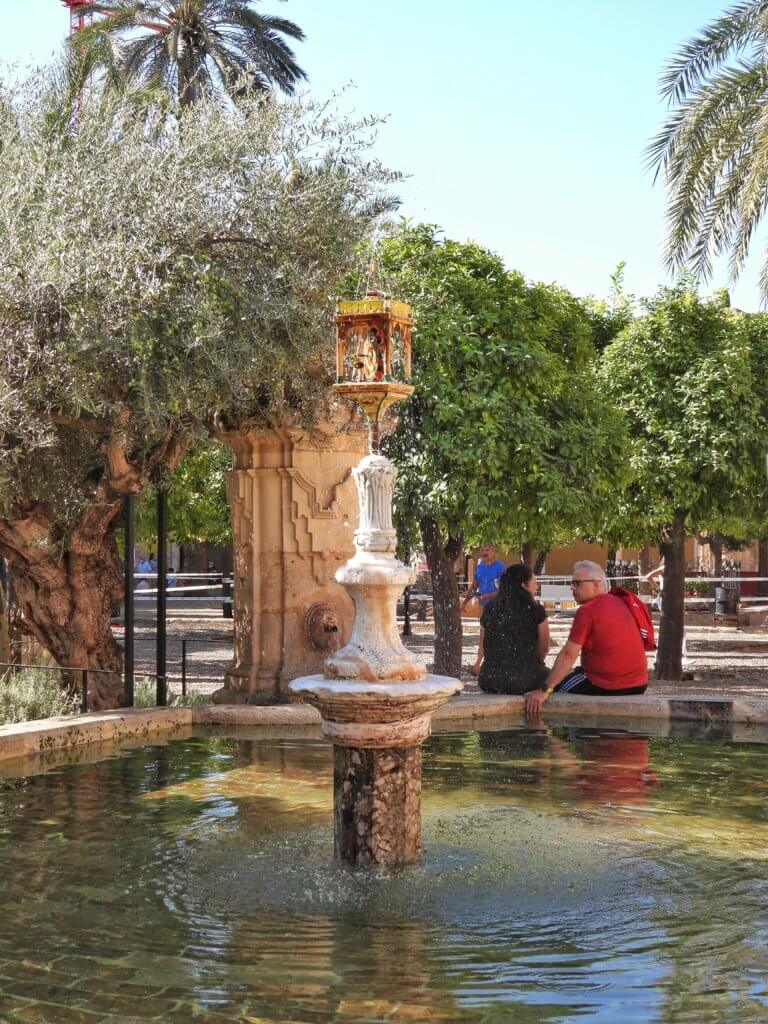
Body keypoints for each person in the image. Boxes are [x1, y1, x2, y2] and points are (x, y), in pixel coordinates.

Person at [525, 560, 648, 714]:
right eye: (572, 583)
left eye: (577, 583)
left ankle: (554, 736)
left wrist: (544, 690)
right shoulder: (622, 602)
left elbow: (569, 654)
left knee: (553, 693)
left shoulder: (588, 610)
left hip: (606, 685)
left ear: (597, 584)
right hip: (639, 684)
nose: (571, 587)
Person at [474, 563, 550, 693]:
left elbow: (483, 645)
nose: (537, 587)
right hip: (527, 680)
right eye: (535, 582)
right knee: (556, 680)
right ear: (523, 585)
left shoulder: (490, 609)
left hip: (489, 680)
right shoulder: (536, 610)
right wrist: (530, 666)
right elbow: (544, 648)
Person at [462, 544, 505, 610]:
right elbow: (474, 587)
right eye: (482, 550)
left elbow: (503, 589)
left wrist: (486, 596)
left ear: (493, 552)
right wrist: (465, 601)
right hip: (482, 606)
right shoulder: (479, 567)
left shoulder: (500, 567)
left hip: (497, 605)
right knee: (483, 620)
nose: (484, 552)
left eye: (487, 550)